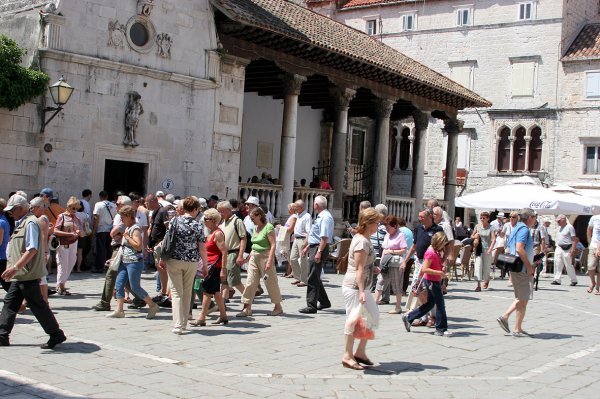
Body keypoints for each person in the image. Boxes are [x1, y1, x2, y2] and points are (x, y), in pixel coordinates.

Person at [0, 195, 66, 349]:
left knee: (38, 306)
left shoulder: (30, 223)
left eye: (13, 210)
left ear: (20, 208)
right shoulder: (21, 223)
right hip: (21, 274)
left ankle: (56, 334)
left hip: (27, 273)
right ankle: (2, 335)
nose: (11, 213)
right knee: (10, 304)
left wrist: (15, 267)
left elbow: (32, 249)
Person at [159, 196, 208, 334]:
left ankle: (178, 324)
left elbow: (167, 240)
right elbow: (202, 247)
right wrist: (205, 265)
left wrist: (162, 258)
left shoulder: (175, 220)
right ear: (196, 209)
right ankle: (184, 322)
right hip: (191, 261)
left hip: (174, 259)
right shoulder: (198, 224)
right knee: (187, 292)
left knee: (176, 293)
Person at [341, 208, 381, 370]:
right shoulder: (362, 242)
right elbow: (358, 268)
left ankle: (360, 352)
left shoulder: (365, 239)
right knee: (352, 319)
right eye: (377, 222)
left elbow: (364, 265)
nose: (378, 225)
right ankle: (347, 355)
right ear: (369, 223)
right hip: (355, 287)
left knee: (372, 316)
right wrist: (363, 291)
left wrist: (372, 268)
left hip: (362, 286)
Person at [106, 206, 160, 319]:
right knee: (119, 285)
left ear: (129, 216)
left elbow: (138, 246)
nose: (121, 218)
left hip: (134, 262)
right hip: (124, 261)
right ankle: (119, 310)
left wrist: (127, 237)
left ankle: (152, 305)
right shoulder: (128, 227)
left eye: (122, 216)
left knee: (135, 287)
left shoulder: (135, 229)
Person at [497, 209, 537, 337]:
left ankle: (517, 327)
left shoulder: (516, 228)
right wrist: (529, 266)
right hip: (522, 269)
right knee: (523, 298)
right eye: (535, 217)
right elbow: (519, 248)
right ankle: (506, 317)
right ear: (530, 217)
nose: (536, 219)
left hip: (515, 266)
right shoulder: (524, 229)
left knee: (521, 298)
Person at [236, 207, 283, 317]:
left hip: (266, 256)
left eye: (253, 218)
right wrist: (246, 259)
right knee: (250, 282)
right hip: (254, 256)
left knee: (270, 282)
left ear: (259, 216)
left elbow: (273, 245)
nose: (251, 220)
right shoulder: (255, 227)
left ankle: (278, 306)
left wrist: (270, 260)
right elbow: (254, 245)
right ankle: (247, 307)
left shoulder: (268, 227)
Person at [401, 231, 449, 337]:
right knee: (440, 305)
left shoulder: (435, 251)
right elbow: (424, 269)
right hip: (432, 281)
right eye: (443, 243)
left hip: (434, 280)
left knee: (430, 304)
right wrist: (439, 273)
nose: (444, 246)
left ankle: (409, 317)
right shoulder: (431, 252)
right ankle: (441, 328)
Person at [190, 208, 228, 326]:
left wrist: (223, 269)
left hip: (214, 267)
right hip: (209, 266)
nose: (204, 221)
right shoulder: (210, 233)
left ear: (212, 220)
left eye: (206, 219)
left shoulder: (218, 234)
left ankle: (201, 318)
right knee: (216, 292)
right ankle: (223, 316)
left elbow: (224, 252)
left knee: (206, 291)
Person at [299, 195, 332, 314]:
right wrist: (308, 246)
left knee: (312, 277)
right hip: (316, 247)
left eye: (314, 203)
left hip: (319, 248)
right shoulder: (321, 216)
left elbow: (324, 237)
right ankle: (324, 301)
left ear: (316, 205)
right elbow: (317, 236)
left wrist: (318, 252)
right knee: (315, 275)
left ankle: (311, 305)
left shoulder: (325, 217)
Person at [374, 215, 407, 313]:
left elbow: (403, 250)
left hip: (395, 263)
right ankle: (374, 303)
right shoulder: (387, 235)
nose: (387, 229)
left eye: (389, 227)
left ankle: (398, 306)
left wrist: (392, 251)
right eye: (386, 227)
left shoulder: (400, 235)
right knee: (380, 281)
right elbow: (384, 248)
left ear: (395, 226)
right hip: (385, 262)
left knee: (396, 284)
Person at [217, 200, 247, 302]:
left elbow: (243, 238)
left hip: (233, 252)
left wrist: (240, 255)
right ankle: (223, 300)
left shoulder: (237, 221)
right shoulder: (223, 222)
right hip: (224, 253)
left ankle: (248, 297)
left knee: (234, 280)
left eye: (222, 211)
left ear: (229, 210)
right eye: (219, 211)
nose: (221, 214)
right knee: (224, 278)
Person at [53, 197, 84, 295]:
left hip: (74, 243)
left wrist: (80, 232)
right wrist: (69, 234)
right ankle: (61, 286)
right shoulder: (61, 216)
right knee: (63, 265)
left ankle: (60, 284)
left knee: (71, 263)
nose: (75, 210)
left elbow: (82, 234)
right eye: (73, 208)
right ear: (68, 207)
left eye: (77, 208)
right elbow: (55, 230)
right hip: (63, 243)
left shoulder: (77, 218)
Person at [29, 197, 51, 304]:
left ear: (38, 207)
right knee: (41, 276)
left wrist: (43, 252)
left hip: (41, 251)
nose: (31, 209)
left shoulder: (42, 218)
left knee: (41, 276)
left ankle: (45, 300)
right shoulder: (42, 218)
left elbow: (43, 237)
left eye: (32, 207)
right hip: (42, 251)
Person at [92, 191, 116, 273]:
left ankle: (99, 266)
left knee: (100, 249)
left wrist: (94, 230)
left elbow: (96, 218)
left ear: (100, 196)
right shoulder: (113, 205)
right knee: (109, 248)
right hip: (111, 229)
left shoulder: (98, 204)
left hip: (101, 229)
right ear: (107, 196)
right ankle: (109, 265)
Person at [472, 211, 496, 292]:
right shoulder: (477, 226)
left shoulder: (491, 227)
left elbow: (493, 240)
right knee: (478, 266)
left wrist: (490, 249)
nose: (482, 219)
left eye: (484, 218)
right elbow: (472, 236)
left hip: (487, 249)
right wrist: (475, 236)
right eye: (481, 218)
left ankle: (486, 280)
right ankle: (478, 285)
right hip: (478, 249)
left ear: (488, 219)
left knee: (486, 268)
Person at [552, 214, 578, 286]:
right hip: (559, 247)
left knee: (568, 264)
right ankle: (557, 279)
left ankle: (573, 280)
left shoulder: (570, 227)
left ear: (564, 219)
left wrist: (573, 249)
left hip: (567, 248)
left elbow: (574, 239)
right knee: (557, 263)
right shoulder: (559, 227)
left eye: (559, 221)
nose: (558, 222)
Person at [290, 199, 311, 287]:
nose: (294, 207)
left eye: (296, 206)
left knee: (303, 260)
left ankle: (304, 280)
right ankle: (298, 277)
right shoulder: (298, 215)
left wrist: (305, 242)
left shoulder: (307, 216)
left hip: (302, 239)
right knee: (292, 258)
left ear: (301, 207)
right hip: (296, 238)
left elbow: (308, 231)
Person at [278, 203, 297, 278]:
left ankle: (291, 272)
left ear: (292, 209)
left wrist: (281, 227)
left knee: (290, 256)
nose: (288, 210)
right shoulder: (292, 216)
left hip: (290, 238)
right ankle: (288, 272)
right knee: (288, 256)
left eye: (289, 208)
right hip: (289, 238)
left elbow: (290, 229)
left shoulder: (294, 217)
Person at [587, 213, 600, 294]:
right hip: (594, 246)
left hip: (598, 246)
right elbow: (589, 229)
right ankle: (592, 282)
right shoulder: (594, 218)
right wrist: (589, 242)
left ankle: (598, 287)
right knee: (590, 266)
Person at [0, 198, 10, 292]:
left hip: (1, 256)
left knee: (6, 283)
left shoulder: (0, 222)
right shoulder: (3, 220)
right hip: (2, 256)